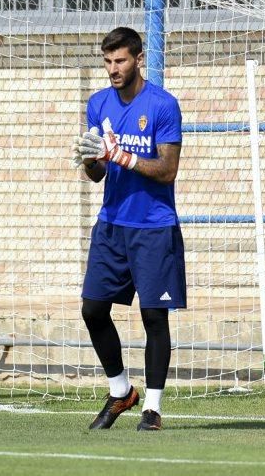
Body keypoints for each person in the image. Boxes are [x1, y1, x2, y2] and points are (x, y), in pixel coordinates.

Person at [72, 27, 186, 431]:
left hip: (154, 227)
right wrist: (90, 158)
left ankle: (152, 410)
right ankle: (121, 392)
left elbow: (167, 169)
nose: (112, 69)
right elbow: (97, 173)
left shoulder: (163, 105)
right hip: (112, 226)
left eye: (119, 61)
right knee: (92, 309)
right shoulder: (98, 103)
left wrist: (122, 155)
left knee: (154, 316)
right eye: (107, 61)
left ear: (138, 59)